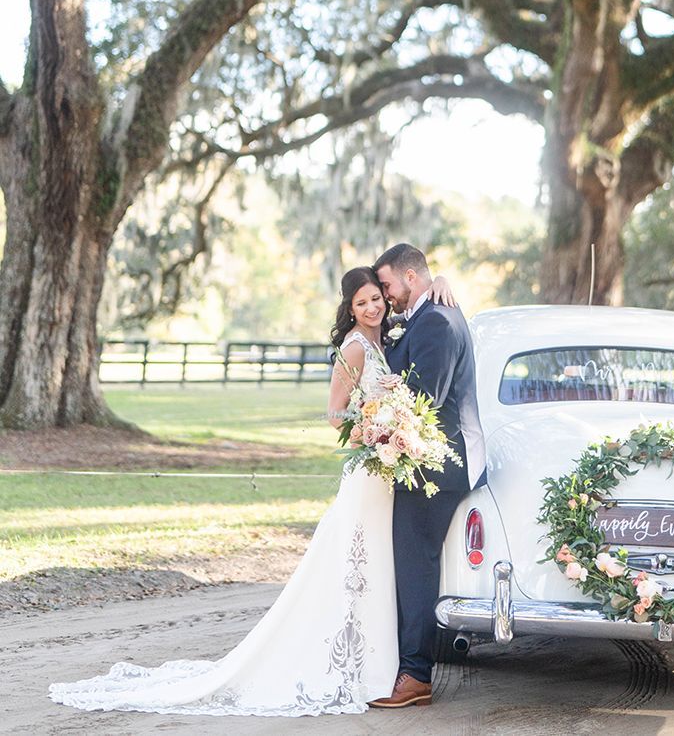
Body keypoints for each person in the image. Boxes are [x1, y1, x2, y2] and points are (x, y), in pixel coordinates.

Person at [48, 265, 453, 718]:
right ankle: (353, 665)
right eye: (361, 303)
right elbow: (335, 416)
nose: (373, 307)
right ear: (350, 309)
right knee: (353, 568)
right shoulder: (354, 347)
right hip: (368, 475)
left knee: (376, 570)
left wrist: (440, 279)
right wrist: (377, 430)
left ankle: (381, 660)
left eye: (376, 298)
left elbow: (420, 296)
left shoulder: (389, 337)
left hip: (388, 478)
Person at [369, 243, 486, 709]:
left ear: (411, 279)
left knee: (416, 567)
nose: (385, 295)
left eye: (388, 285)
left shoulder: (436, 319)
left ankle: (415, 674)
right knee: (409, 564)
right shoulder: (427, 313)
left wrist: (377, 431)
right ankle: (402, 663)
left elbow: (425, 404)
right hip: (427, 461)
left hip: (436, 465)